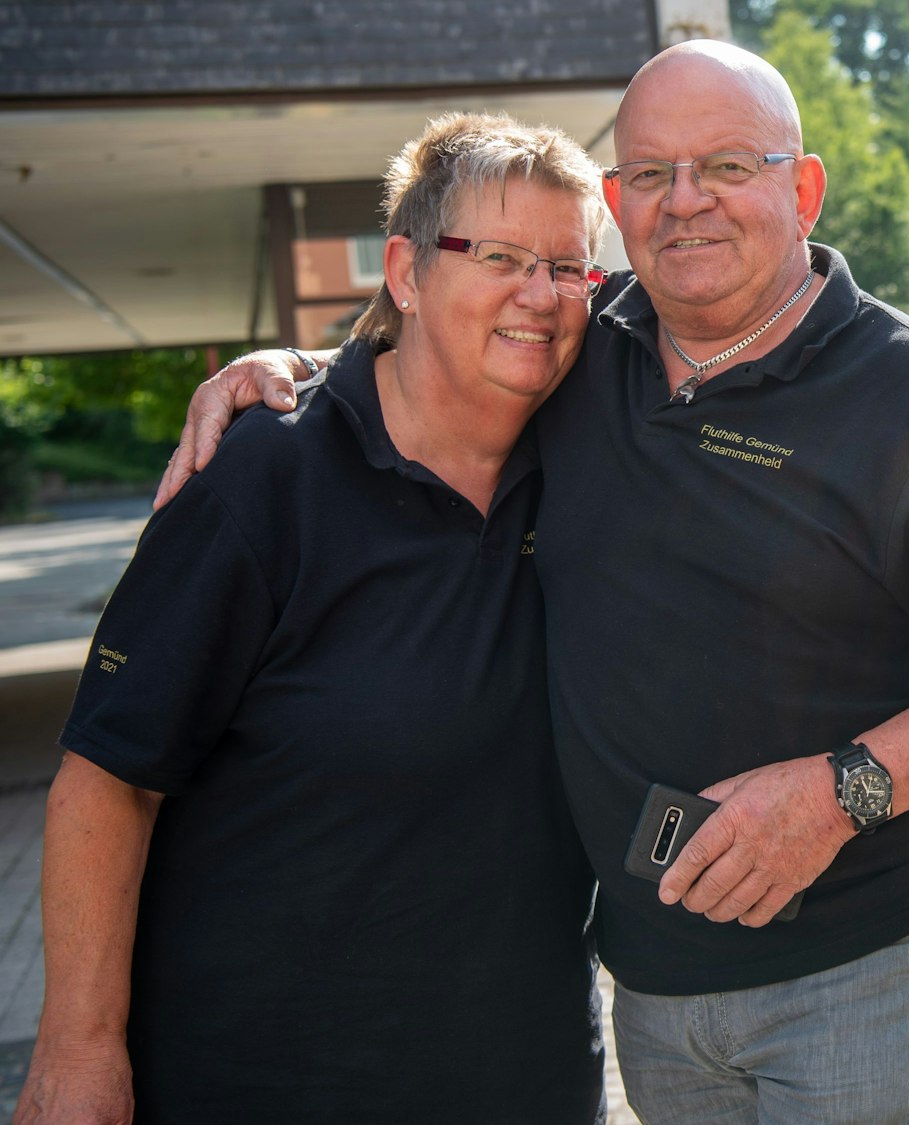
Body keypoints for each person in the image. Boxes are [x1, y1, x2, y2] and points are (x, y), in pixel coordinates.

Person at [165, 39, 909, 1123]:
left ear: (803, 189)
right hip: (653, 1001)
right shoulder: (587, 348)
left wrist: (836, 795)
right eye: (649, 174)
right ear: (617, 202)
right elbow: (445, 344)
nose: (686, 204)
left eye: (726, 166)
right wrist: (294, 370)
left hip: (868, 977)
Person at [19, 113, 610, 1124]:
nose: (540, 294)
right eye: (500, 256)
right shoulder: (262, 478)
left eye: (567, 265)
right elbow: (107, 780)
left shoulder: (601, 453)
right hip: (267, 1081)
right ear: (407, 272)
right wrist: (76, 1054)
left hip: (529, 1079)